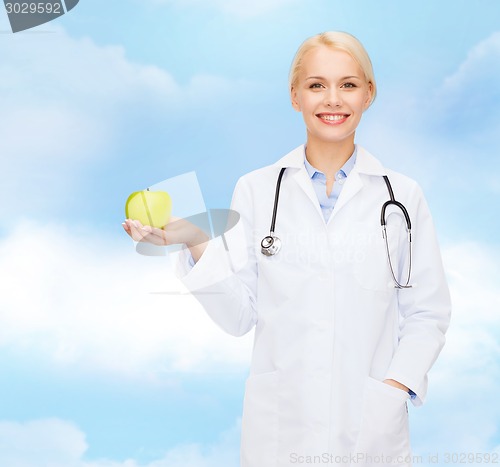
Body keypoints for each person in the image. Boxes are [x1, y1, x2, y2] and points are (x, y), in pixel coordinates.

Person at [123, 31, 451, 467]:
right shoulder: (257, 190)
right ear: (295, 95)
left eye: (348, 84)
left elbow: (428, 312)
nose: (332, 99)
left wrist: (394, 388)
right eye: (316, 85)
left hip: (370, 429)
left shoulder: (403, 197)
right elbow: (239, 316)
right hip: (280, 431)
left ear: (369, 94)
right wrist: (197, 240)